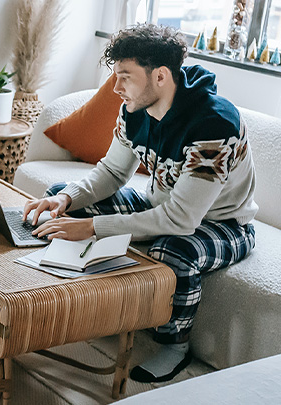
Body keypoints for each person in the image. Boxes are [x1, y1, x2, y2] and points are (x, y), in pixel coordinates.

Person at [23, 24, 257, 383]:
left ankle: (175, 346)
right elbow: (113, 173)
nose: (116, 88)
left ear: (160, 76)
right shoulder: (134, 109)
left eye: (125, 77)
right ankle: (70, 295)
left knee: (173, 251)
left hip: (224, 224)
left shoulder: (214, 125)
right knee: (65, 202)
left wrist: (91, 227)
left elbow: (180, 220)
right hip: (158, 203)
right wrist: (64, 198)